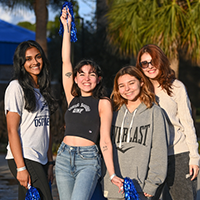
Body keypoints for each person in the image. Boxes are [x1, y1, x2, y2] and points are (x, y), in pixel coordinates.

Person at [55, 7, 123, 200]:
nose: (86, 78)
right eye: (82, 74)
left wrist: (112, 173)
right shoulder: (72, 98)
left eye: (91, 74)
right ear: (75, 78)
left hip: (88, 160)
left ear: (98, 79)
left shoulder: (103, 103)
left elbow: (105, 141)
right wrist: (66, 27)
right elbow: (65, 61)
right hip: (63, 157)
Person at [136, 44, 200, 200]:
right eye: (145, 63)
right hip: (150, 158)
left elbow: (187, 123)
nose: (150, 66)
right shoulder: (138, 91)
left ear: (161, 62)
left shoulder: (176, 87)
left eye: (153, 61)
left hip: (177, 154)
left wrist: (194, 158)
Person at [102, 66, 169, 200]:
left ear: (141, 82)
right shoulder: (112, 112)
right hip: (113, 188)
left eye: (131, 83)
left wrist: (152, 183)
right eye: (122, 85)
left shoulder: (154, 113)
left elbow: (159, 152)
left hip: (142, 189)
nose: (127, 89)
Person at [4, 40, 58, 200]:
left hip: (40, 158)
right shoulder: (16, 87)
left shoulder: (42, 90)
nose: (35, 62)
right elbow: (11, 130)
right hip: (25, 156)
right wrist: (21, 167)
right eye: (28, 59)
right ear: (21, 63)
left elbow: (45, 130)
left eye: (38, 57)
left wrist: (49, 163)